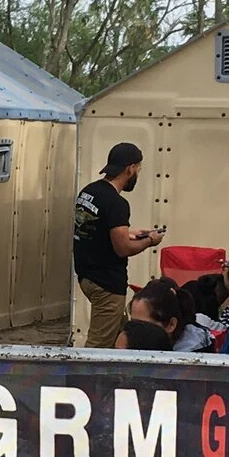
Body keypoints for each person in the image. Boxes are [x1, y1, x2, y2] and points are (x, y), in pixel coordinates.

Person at [72, 141, 163, 349]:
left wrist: (130, 234)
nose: (137, 174)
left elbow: (95, 231)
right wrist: (150, 240)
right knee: (98, 346)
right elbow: (122, 249)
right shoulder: (117, 203)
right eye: (138, 169)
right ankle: (83, 371)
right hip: (107, 284)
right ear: (130, 169)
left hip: (87, 277)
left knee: (123, 336)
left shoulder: (89, 192)